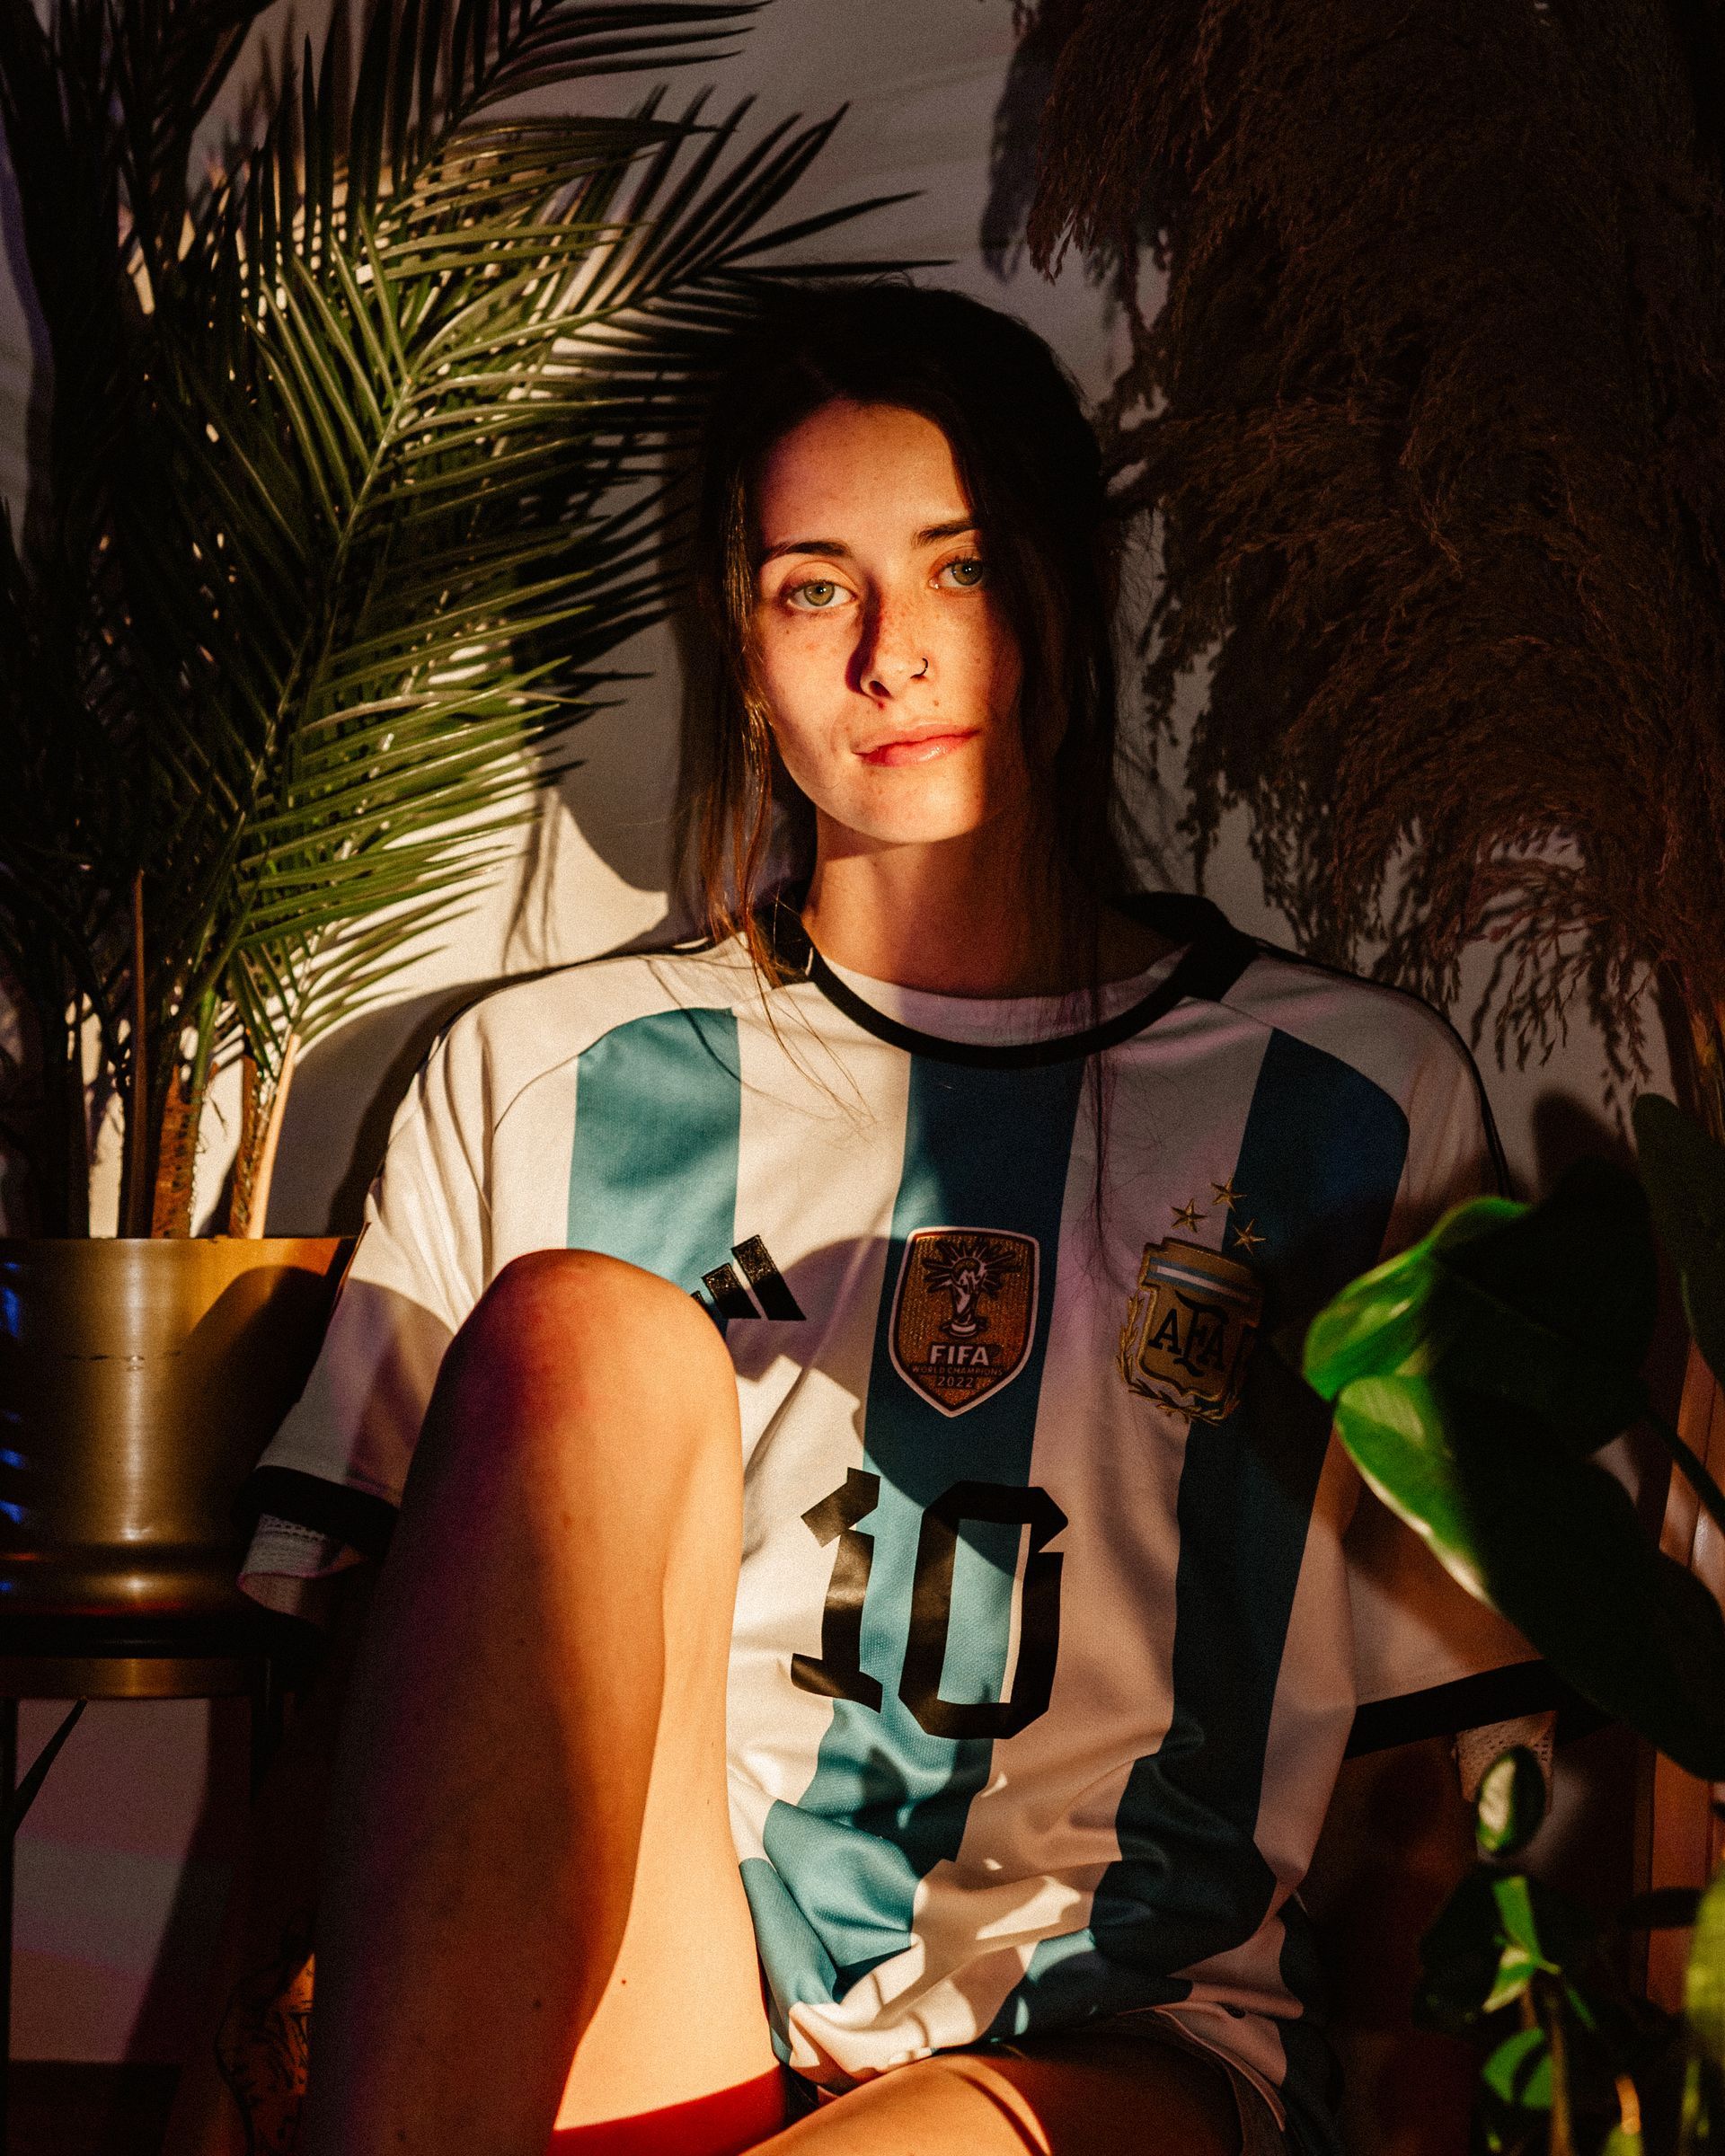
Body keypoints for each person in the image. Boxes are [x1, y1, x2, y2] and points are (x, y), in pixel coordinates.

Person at [209, 283, 1549, 2156]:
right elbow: (370, 1712)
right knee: (586, 1328)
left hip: (1116, 2048)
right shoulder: (544, 1077)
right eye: (813, 588)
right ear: (743, 655)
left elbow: (1438, 1779)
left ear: (1065, 602)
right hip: (655, 2011)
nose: (892, 658)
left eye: (961, 570)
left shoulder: (1348, 1095)